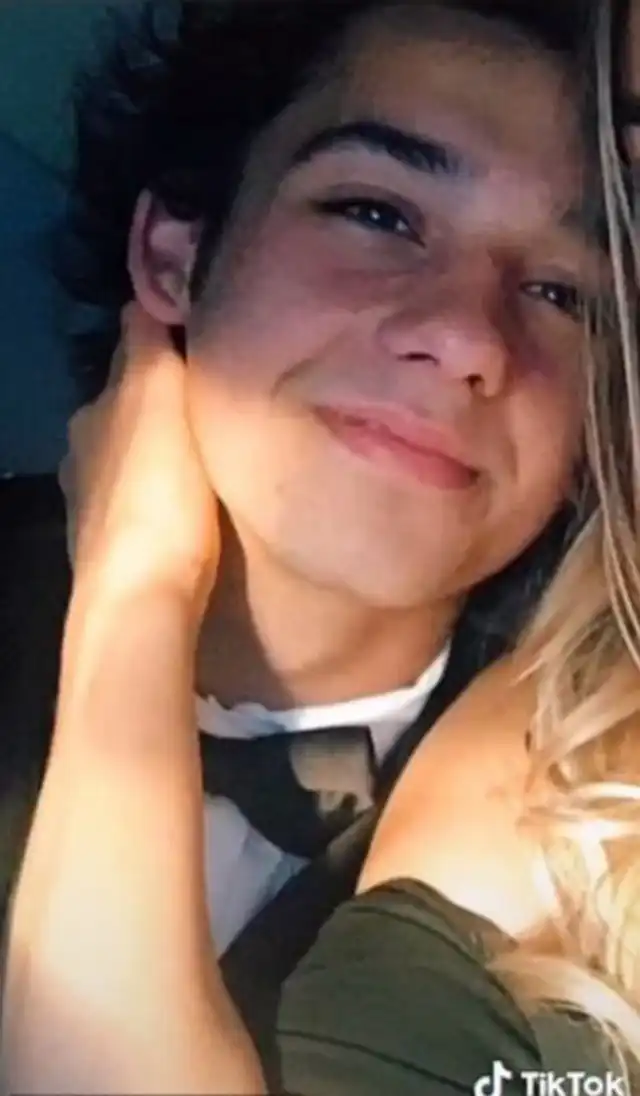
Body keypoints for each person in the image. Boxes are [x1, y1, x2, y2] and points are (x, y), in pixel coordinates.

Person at [6, 0, 640, 1092]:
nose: (465, 336)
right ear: (174, 255)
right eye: (377, 214)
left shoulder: (587, 826)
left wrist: (136, 597)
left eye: (560, 293)